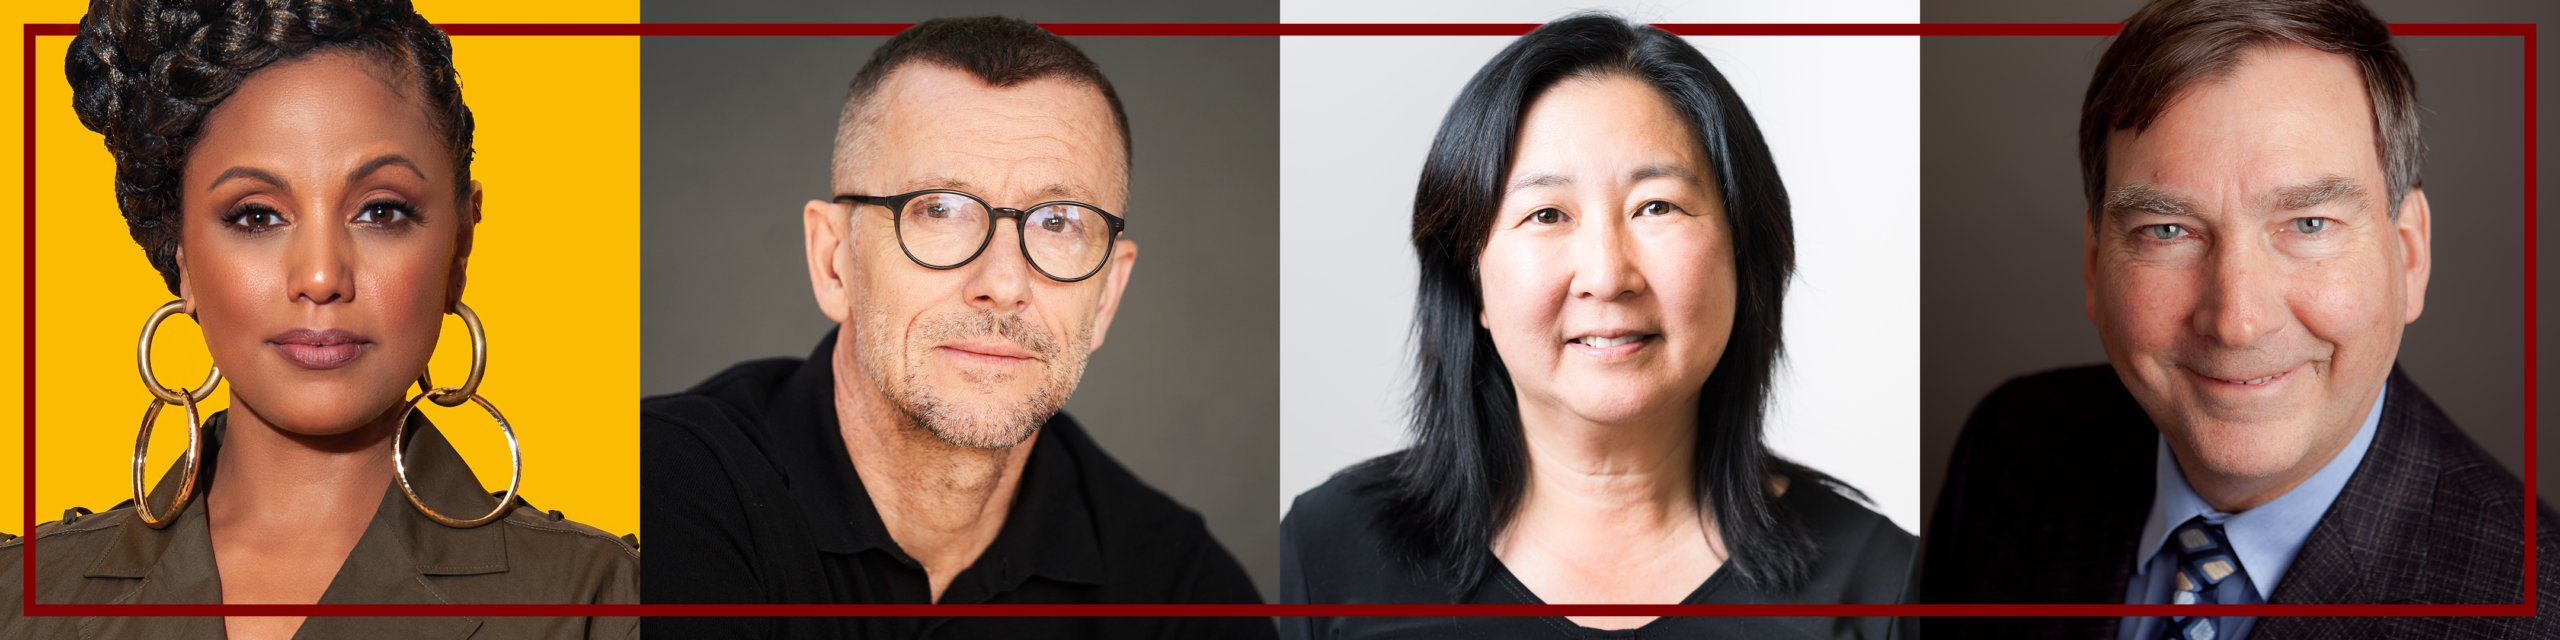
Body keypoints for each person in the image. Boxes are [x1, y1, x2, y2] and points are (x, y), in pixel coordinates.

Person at [0, 0, 641, 639]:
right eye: (256, 215)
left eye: (381, 211)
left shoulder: (600, 603)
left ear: (460, 242)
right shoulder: (21, 598)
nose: (320, 278)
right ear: (180, 252)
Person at [1923, 0, 2560, 638]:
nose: (2238, 321)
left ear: (2409, 255)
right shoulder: (2009, 452)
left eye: (2310, 224)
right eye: (2167, 230)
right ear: (2095, 263)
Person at [1280, 14, 1915, 639]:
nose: (1608, 276)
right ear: (1470, 278)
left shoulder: (1883, 588)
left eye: (1657, 206)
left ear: (1746, 255)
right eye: (1548, 213)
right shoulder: (1323, 557)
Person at [639, 16, 1272, 639]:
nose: (1003, 283)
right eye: (939, 210)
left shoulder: (1178, 594)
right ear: (834, 261)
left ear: (1107, 296)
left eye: (1059, 223)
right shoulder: (662, 489)